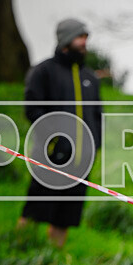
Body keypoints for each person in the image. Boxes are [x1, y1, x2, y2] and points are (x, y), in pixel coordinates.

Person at [18, 18, 102, 247]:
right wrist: (54, 140)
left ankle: (52, 259)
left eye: (85, 37)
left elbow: (97, 116)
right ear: (65, 40)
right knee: (36, 209)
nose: (84, 42)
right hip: (50, 156)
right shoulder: (43, 71)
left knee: (66, 215)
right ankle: (19, 251)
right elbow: (33, 109)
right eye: (79, 37)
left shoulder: (90, 78)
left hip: (81, 162)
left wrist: (95, 145)